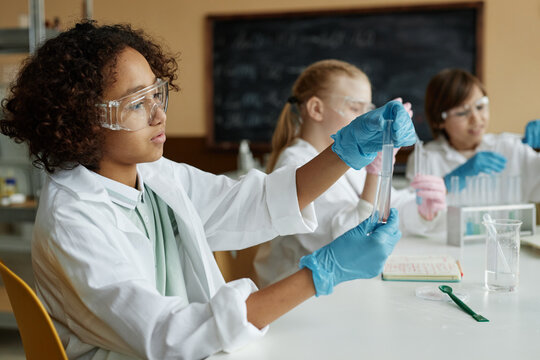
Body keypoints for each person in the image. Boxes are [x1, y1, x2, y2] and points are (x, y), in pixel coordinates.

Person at [0, 22, 417, 359]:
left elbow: (248, 204)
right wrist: (318, 274)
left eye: (155, 93)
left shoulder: (155, 174)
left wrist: (347, 150)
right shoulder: (73, 219)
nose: (159, 113)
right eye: (135, 103)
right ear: (81, 121)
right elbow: (169, 334)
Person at [254, 60, 446, 287]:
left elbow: (389, 206)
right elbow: (347, 243)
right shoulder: (296, 164)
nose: (366, 118)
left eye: (368, 109)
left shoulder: (347, 160)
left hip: (338, 289)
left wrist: (422, 209)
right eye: (356, 108)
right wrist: (376, 173)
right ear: (316, 109)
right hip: (296, 299)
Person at [405, 68, 540, 203]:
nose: (476, 119)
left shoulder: (512, 148)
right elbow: (411, 213)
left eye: (480, 107)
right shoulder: (425, 158)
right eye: (462, 113)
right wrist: (446, 185)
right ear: (438, 121)